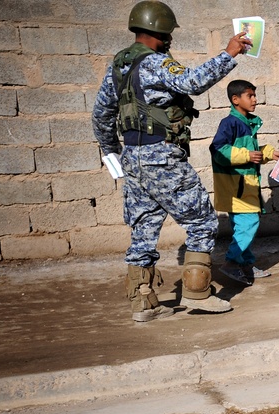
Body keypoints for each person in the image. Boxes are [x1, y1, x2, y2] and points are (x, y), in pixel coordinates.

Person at [91, 1, 253, 322]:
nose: (169, 41)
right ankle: (198, 294)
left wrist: (114, 157)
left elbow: (101, 116)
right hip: (161, 156)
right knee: (202, 221)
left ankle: (143, 304)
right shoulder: (154, 62)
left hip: (133, 159)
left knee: (144, 230)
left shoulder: (119, 67)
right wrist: (229, 52)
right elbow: (192, 82)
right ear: (161, 32)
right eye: (168, 35)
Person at [210, 80, 279, 286]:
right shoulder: (230, 123)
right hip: (235, 186)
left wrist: (269, 153)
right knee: (249, 224)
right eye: (250, 96)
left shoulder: (247, 123)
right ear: (235, 99)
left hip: (245, 184)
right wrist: (246, 155)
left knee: (242, 227)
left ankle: (246, 265)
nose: (255, 100)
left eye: (254, 95)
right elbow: (218, 150)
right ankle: (231, 263)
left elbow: (253, 150)